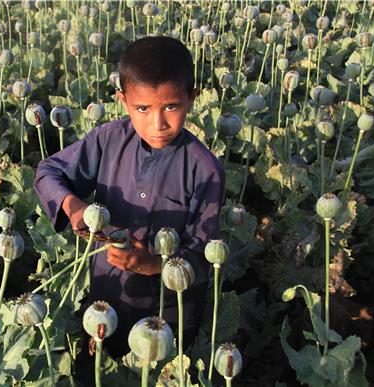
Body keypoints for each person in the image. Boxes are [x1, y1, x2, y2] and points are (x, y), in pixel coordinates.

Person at [34, 36, 224, 359]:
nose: (158, 123)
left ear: (191, 98)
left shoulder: (205, 170)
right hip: (105, 301)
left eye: (171, 107)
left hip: (167, 319)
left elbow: (205, 258)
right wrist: (74, 207)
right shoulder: (108, 139)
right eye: (143, 108)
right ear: (123, 101)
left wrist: (152, 264)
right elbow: (49, 172)